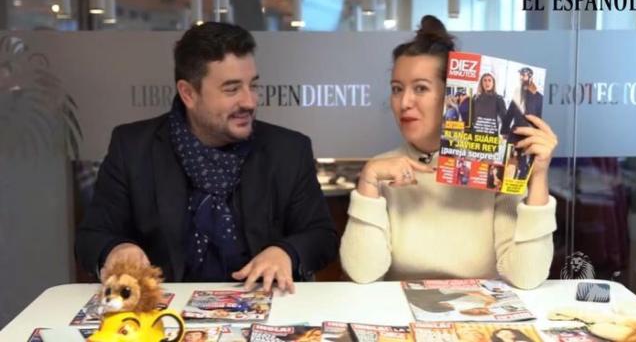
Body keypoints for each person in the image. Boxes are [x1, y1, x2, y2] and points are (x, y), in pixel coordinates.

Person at [75, 22, 338, 293]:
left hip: (262, 307)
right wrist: (116, 249)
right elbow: (91, 237)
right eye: (232, 89)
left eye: (253, 85)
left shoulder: (288, 150)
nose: (249, 102)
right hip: (163, 313)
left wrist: (286, 252)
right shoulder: (132, 147)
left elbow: (321, 236)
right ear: (188, 93)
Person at [339, 15, 558, 289]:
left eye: (420, 88)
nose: (404, 102)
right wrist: (369, 180)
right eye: (397, 89)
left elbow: (527, 277)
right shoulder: (382, 168)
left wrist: (537, 176)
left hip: (480, 317)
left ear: (450, 94)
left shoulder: (493, 167)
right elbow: (362, 272)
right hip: (405, 319)